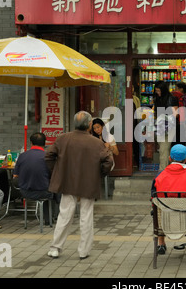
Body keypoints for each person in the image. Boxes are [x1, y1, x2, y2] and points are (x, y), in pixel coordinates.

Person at [46, 111, 114, 259]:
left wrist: (58, 172)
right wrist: (99, 174)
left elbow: (48, 156)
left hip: (67, 182)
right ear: (89, 125)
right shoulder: (96, 143)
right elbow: (108, 161)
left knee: (64, 214)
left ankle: (55, 248)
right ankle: (84, 251)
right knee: (86, 216)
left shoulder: (62, 139)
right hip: (88, 183)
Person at [13, 132, 58, 225]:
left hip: (25, 192)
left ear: (31, 143)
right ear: (45, 143)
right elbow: (54, 175)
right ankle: (51, 218)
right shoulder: (48, 157)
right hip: (44, 192)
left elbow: (15, 176)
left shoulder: (22, 156)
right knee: (53, 187)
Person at [153, 81, 178, 170]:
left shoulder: (172, 98)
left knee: (163, 150)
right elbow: (155, 112)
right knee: (164, 150)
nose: (158, 93)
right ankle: (169, 170)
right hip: (159, 127)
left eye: (159, 91)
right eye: (156, 91)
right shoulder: (157, 99)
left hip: (168, 127)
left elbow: (176, 114)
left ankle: (162, 171)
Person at [170, 82, 186, 146]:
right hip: (183, 123)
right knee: (182, 142)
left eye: (176, 88)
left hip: (177, 122)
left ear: (181, 89)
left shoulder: (177, 97)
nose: (175, 90)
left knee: (175, 142)